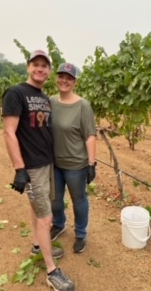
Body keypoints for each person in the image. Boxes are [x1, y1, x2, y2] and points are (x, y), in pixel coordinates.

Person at [2, 50, 75, 291]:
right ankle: (52, 271)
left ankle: (37, 244)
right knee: (46, 218)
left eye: (44, 66)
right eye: (36, 64)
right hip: (31, 167)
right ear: (28, 67)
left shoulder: (43, 96)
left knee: (38, 209)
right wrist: (19, 168)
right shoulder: (16, 93)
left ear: (49, 71)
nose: (40, 69)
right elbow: (9, 132)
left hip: (47, 163)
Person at [49, 63, 97, 255]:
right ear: (56, 79)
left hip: (75, 165)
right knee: (55, 200)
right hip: (54, 163)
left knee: (79, 200)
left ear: (75, 82)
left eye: (69, 78)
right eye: (61, 76)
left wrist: (91, 164)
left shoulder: (83, 105)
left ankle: (80, 234)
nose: (64, 81)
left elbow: (90, 135)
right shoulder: (50, 101)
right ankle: (59, 224)